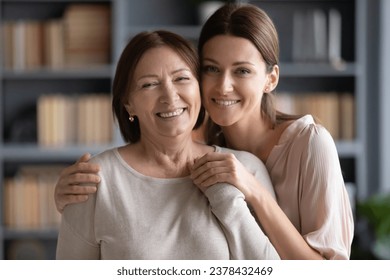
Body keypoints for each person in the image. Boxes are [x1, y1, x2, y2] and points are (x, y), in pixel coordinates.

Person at [55, 3, 354, 260]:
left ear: (271, 78)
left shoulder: (307, 145)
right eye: (211, 69)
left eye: (242, 70)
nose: (223, 86)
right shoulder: (205, 139)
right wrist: (71, 204)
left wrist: (252, 190)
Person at [55, 29, 279, 260]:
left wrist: (228, 201)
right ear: (128, 104)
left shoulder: (245, 169)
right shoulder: (93, 181)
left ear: (199, 89)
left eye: (181, 79)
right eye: (149, 84)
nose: (170, 96)